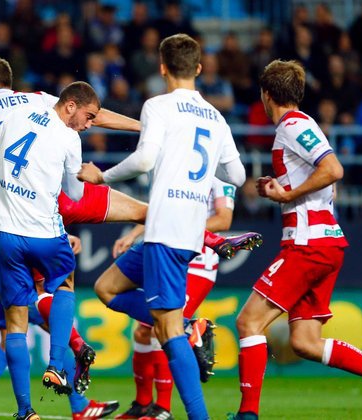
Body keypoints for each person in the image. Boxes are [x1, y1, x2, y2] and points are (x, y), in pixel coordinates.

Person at [78, 34, 247, 420]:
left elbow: (144, 160)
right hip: (185, 233)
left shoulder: (157, 105)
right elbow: (237, 176)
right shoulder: (216, 117)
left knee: (167, 332)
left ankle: (197, 410)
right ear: (199, 69)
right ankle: (188, 326)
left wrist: (102, 177)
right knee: (106, 288)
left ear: (162, 68)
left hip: (166, 230)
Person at [228, 60, 362, 420]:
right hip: (324, 242)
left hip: (309, 244)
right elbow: (324, 180)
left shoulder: (293, 126)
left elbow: (333, 170)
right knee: (305, 342)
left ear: (266, 94)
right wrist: (281, 188)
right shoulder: (301, 126)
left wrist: (288, 195)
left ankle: (247, 414)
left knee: (248, 322)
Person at [0, 81, 98, 420]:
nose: (89, 124)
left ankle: (25, 411)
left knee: (15, 322)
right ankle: (56, 365)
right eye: (89, 116)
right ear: (70, 105)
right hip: (44, 233)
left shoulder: (17, 115)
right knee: (65, 283)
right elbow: (75, 195)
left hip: (5, 234)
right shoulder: (69, 138)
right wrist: (87, 175)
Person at [110, 178, 245, 420]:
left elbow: (223, 219)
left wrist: (183, 230)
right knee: (143, 331)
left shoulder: (221, 179)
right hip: (168, 254)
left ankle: (163, 408)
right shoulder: (181, 173)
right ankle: (143, 404)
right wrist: (134, 234)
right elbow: (161, 212)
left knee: (162, 328)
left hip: (198, 263)